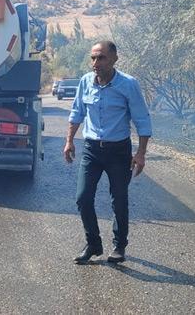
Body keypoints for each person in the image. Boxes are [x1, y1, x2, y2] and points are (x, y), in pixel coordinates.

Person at [63, 41, 152, 264]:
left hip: (118, 152)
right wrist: (69, 141)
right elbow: (77, 113)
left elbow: (142, 119)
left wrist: (140, 153)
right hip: (92, 150)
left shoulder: (128, 84)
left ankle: (119, 246)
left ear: (114, 59)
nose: (96, 63)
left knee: (119, 199)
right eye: (93, 58)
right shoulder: (85, 82)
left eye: (101, 58)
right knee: (83, 198)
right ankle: (93, 244)